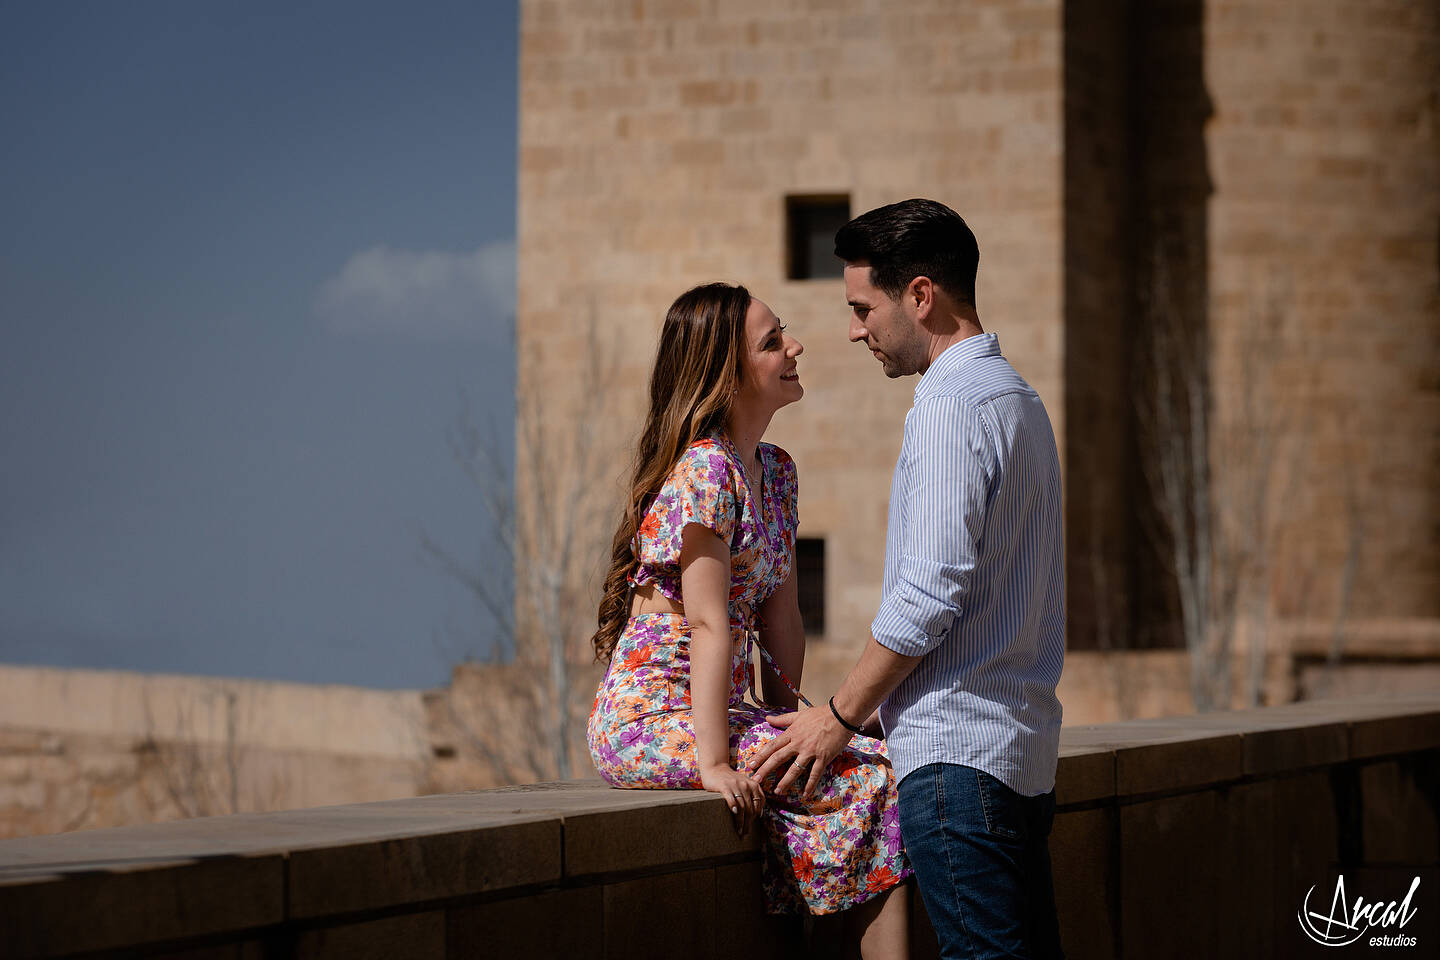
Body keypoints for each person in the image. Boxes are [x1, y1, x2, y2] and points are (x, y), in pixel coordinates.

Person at [749, 200, 1067, 960]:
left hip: (958, 766)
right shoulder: (1018, 401)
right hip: (1022, 757)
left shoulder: (950, 408)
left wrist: (838, 716)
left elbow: (928, 597)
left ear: (921, 296)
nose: (855, 330)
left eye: (863, 308)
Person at [586, 282, 911, 958]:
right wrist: (712, 765)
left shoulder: (776, 472)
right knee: (871, 777)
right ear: (727, 376)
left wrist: (789, 716)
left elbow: (782, 616)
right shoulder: (706, 470)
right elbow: (708, 625)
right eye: (772, 342)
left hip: (722, 711)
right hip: (650, 719)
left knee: (882, 766)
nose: (794, 347)